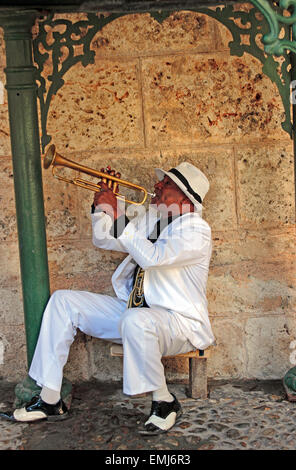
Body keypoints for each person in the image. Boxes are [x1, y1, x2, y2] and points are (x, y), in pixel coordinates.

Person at [1, 161, 215, 435]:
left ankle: (164, 401)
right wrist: (102, 207)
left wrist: (117, 211)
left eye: (167, 183)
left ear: (185, 196)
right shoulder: (153, 218)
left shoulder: (197, 230)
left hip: (177, 323)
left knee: (137, 320)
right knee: (63, 302)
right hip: (135, 312)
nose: (157, 185)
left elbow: (153, 258)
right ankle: (50, 398)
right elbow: (105, 239)